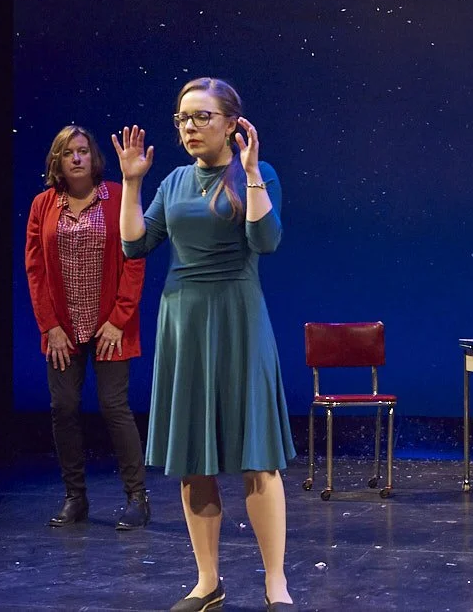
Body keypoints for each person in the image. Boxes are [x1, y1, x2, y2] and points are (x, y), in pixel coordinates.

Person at [114, 77, 296, 611]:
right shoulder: (172, 181)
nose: (190, 128)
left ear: (231, 124)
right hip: (185, 320)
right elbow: (133, 245)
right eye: (182, 119)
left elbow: (265, 241)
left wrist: (254, 173)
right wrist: (131, 183)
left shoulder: (257, 177)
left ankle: (275, 581)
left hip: (239, 316)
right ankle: (207, 581)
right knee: (195, 455)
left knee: (257, 456)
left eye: (201, 117)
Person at [24, 125, 150, 530]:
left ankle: (137, 498)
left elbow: (135, 256)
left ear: (94, 158)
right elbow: (36, 270)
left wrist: (119, 318)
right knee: (63, 408)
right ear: (57, 163)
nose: (76, 158)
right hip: (62, 327)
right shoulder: (43, 205)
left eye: (82, 151)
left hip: (111, 324)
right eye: (67, 153)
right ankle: (75, 498)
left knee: (114, 406)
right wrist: (50, 326)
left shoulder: (117, 197)